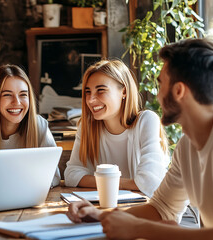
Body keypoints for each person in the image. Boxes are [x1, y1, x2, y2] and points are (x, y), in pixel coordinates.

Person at [66, 38, 213, 239]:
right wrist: (102, 216)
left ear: (178, 91)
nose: (158, 96)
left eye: (160, 86)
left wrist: (138, 229)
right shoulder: (187, 146)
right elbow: (162, 208)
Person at [64, 59, 169, 197]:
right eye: (88, 92)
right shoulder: (87, 126)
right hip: (107, 208)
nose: (90, 100)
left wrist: (104, 183)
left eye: (101, 90)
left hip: (153, 210)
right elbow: (71, 175)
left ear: (124, 91)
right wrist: (130, 183)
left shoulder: (146, 121)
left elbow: (149, 182)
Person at [0, 64, 61, 186]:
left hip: (28, 200)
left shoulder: (40, 125)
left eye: (23, 94)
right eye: (7, 95)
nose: (17, 102)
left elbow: (54, 177)